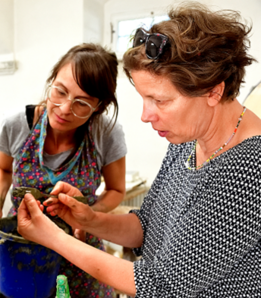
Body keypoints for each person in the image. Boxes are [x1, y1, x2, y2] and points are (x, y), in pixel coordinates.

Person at [17, 2, 261, 297]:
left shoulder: (249, 169)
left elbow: (160, 285)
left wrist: (54, 238)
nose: (146, 115)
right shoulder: (187, 141)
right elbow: (145, 227)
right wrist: (88, 219)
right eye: (144, 98)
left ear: (213, 91)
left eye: (160, 101)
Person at [0, 43, 127, 297]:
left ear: (99, 107)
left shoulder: (105, 133)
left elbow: (116, 190)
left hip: (80, 249)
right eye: (59, 91)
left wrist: (88, 215)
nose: (63, 109)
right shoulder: (17, 124)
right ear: (51, 81)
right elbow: (3, 169)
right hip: (22, 247)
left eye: (81, 103)